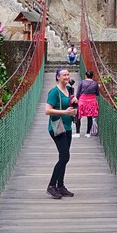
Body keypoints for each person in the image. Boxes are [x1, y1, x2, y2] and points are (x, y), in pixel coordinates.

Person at [44, 67, 77, 199]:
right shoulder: (54, 92)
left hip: (68, 127)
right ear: (58, 77)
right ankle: (52, 185)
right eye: (64, 75)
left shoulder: (70, 90)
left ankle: (60, 186)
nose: (67, 77)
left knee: (63, 157)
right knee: (64, 157)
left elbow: (72, 105)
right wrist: (65, 112)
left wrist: (75, 102)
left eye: (68, 75)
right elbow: (47, 111)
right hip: (57, 128)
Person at [76, 70, 100, 137]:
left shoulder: (82, 82)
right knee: (89, 117)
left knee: (78, 116)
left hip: (82, 101)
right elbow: (97, 94)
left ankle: (77, 133)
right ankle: (88, 133)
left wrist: (77, 99)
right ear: (92, 76)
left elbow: (78, 92)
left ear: (86, 76)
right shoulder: (95, 83)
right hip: (91, 101)